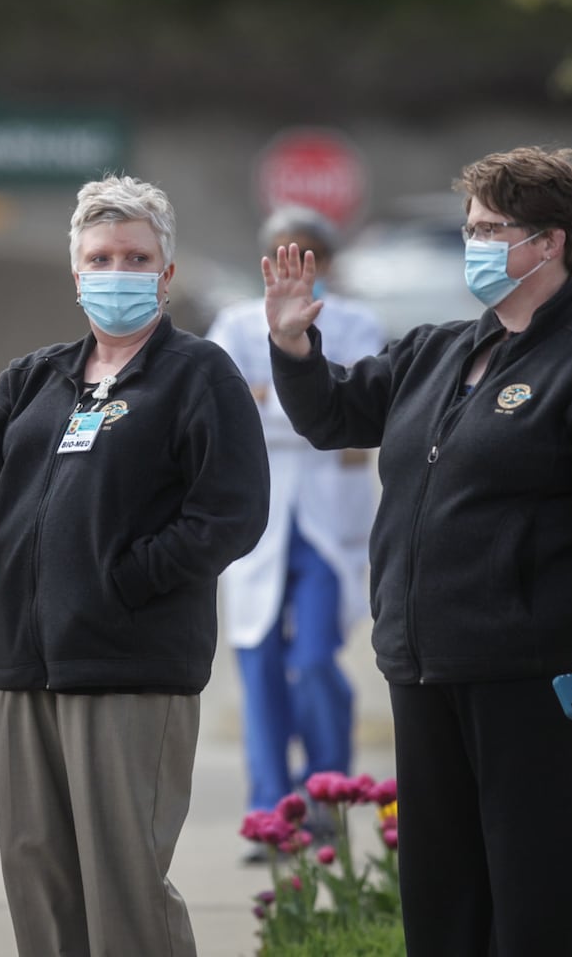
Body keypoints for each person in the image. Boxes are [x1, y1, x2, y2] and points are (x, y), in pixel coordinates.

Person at [264, 147, 572, 957]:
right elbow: (335, 417)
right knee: (443, 915)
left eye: (492, 229)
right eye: (470, 228)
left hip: (539, 678)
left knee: (535, 917)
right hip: (428, 671)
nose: (474, 244)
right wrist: (293, 349)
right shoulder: (438, 351)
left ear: (551, 241)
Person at [0, 175, 270, 957]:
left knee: (125, 892)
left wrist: (126, 582)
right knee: (39, 880)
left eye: (136, 257)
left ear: (166, 274)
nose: (117, 272)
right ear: (76, 275)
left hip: (130, 671)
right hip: (26, 669)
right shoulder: (36, 376)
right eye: (101, 258)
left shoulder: (196, 376)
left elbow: (230, 514)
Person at [204, 205, 384, 859]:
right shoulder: (233, 324)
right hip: (257, 517)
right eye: (282, 250)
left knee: (312, 661)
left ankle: (327, 794)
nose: (295, 262)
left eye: (308, 252)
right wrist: (311, 407)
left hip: (328, 525)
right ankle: (271, 815)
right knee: (259, 667)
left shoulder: (359, 322)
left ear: (328, 262)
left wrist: (270, 399)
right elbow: (225, 413)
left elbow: (358, 418)